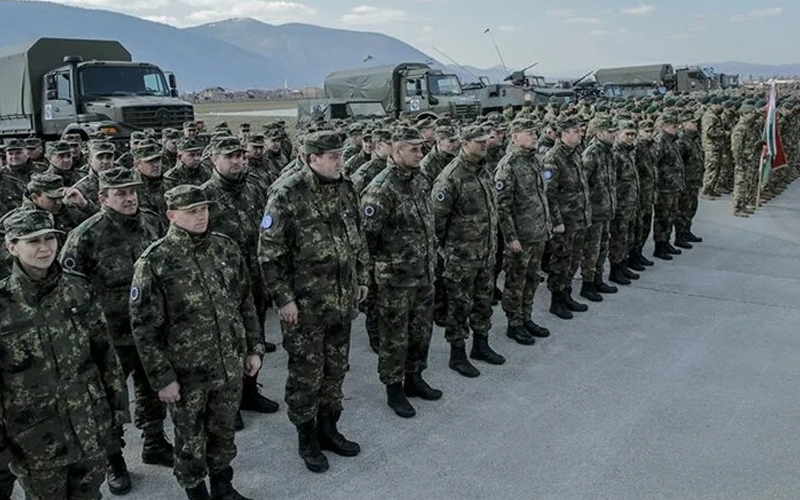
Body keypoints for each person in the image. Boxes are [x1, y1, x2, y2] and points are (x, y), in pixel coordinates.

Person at [130, 185, 264, 500]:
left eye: (203, 209)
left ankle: (223, 487)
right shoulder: (155, 261)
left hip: (227, 364)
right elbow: (144, 329)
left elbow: (246, 301)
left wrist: (254, 347)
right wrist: (163, 378)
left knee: (223, 431)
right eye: (192, 211)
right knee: (190, 440)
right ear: (171, 216)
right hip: (187, 373)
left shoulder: (224, 248)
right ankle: (196, 492)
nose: (201, 216)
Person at [0, 209, 128, 500]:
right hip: (35, 438)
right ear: (12, 246)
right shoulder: (4, 303)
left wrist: (116, 413)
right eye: (33, 241)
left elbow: (105, 355)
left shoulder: (78, 288)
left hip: (88, 423)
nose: (44, 247)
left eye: (49, 238)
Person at [258, 131, 367, 473]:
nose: (340, 162)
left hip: (341, 299)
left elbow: (357, 237)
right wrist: (283, 300)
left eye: (340, 155)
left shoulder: (345, 187)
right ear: (311, 158)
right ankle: (307, 438)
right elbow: (269, 254)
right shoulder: (287, 192)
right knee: (306, 374)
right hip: (305, 307)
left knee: (335, 370)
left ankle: (329, 428)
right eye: (333, 157)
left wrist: (362, 277)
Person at [60, 167, 169, 495]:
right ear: (102, 198)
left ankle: (154, 442)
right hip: (109, 336)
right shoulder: (85, 235)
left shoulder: (152, 222)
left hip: (148, 328)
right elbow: (68, 289)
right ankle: (114, 459)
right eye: (120, 193)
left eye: (132, 191)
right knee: (108, 400)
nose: (129, 197)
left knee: (153, 386)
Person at [360, 127, 442, 418]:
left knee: (421, 332)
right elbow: (366, 241)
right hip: (395, 280)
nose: (420, 154)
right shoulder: (381, 189)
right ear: (396, 151)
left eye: (421, 148)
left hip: (422, 273)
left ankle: (414, 378)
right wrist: (369, 282)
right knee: (395, 337)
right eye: (414, 149)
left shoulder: (419, 179)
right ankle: (394, 389)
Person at [201, 137, 279, 428]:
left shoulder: (254, 189)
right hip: (222, 285)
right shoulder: (204, 197)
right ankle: (227, 403)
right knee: (225, 344)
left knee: (253, 336)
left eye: (240, 156)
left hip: (254, 279)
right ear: (214, 160)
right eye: (230, 156)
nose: (238, 161)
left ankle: (249, 392)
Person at [432, 125, 506, 378]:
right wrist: (448, 253)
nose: (485, 145)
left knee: (484, 302)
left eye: (486, 141)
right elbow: (437, 223)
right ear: (465, 144)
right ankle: (457, 354)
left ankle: (481, 345)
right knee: (459, 307)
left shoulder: (483, 170)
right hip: (461, 257)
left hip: (485, 254)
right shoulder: (451, 176)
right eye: (479, 142)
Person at [494, 119, 553, 345]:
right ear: (515, 136)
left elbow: (542, 195)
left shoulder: (535, 160)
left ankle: (527, 317)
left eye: (535, 133)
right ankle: (514, 323)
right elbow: (502, 206)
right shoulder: (508, 165)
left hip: (537, 232)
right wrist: (511, 237)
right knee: (516, 282)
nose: (535, 137)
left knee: (532, 279)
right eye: (529, 133)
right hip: (521, 236)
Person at [542, 117, 592, 320]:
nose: (581, 134)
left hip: (578, 217)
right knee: (560, 261)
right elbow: (549, 193)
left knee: (573, 259)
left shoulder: (575, 153)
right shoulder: (553, 158)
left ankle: (567, 294)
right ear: (564, 134)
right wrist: (556, 221)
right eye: (576, 131)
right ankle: (557, 301)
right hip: (564, 221)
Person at [580, 116, 618, 301]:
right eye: (610, 132)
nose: (614, 134)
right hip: (595, 212)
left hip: (605, 210)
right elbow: (583, 185)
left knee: (603, 247)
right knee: (592, 250)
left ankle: (598, 279)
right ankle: (587, 284)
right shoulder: (591, 154)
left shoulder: (608, 152)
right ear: (599, 133)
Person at [608, 120, 641, 286]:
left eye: (633, 134)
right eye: (627, 134)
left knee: (628, 236)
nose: (630, 137)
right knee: (618, 238)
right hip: (620, 204)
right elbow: (611, 181)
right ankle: (615, 270)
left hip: (630, 202)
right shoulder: (616, 154)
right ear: (618, 134)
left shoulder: (629, 151)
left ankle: (623, 265)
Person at [652, 114, 685, 259]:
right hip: (664, 188)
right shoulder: (660, 141)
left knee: (671, 216)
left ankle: (666, 242)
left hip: (672, 186)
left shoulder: (671, 141)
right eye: (674, 126)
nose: (677, 129)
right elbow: (654, 163)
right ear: (665, 127)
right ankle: (659, 246)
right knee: (662, 217)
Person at [675, 113, 704, 246]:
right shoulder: (681, 141)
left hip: (694, 181)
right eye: (692, 122)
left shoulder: (693, 139)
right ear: (684, 124)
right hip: (686, 181)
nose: (695, 124)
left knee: (692, 207)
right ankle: (680, 235)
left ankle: (687, 231)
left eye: (696, 122)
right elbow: (678, 164)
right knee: (683, 209)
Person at [72, 141, 117, 214]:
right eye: (100, 157)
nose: (105, 161)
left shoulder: (122, 183)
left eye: (109, 157)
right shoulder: (80, 189)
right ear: (90, 160)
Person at [132, 143, 167, 219]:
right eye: (150, 161)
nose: (156, 165)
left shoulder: (170, 181)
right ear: (137, 165)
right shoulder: (132, 188)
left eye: (158, 160)